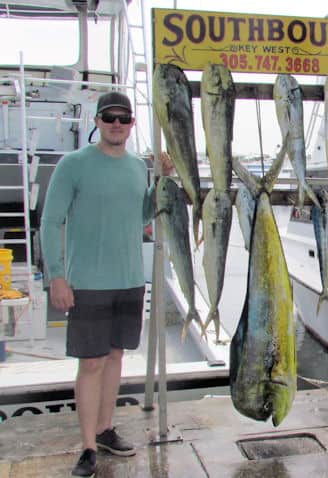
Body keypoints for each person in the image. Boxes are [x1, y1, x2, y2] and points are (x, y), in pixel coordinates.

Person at [41, 91, 173, 477]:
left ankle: (104, 429)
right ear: (97, 122)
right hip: (88, 284)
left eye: (124, 118)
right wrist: (57, 276)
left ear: (132, 125)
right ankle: (86, 448)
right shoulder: (73, 165)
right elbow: (51, 222)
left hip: (130, 280)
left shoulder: (137, 166)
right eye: (109, 117)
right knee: (92, 362)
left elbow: (144, 214)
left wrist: (161, 181)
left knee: (115, 357)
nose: (116, 123)